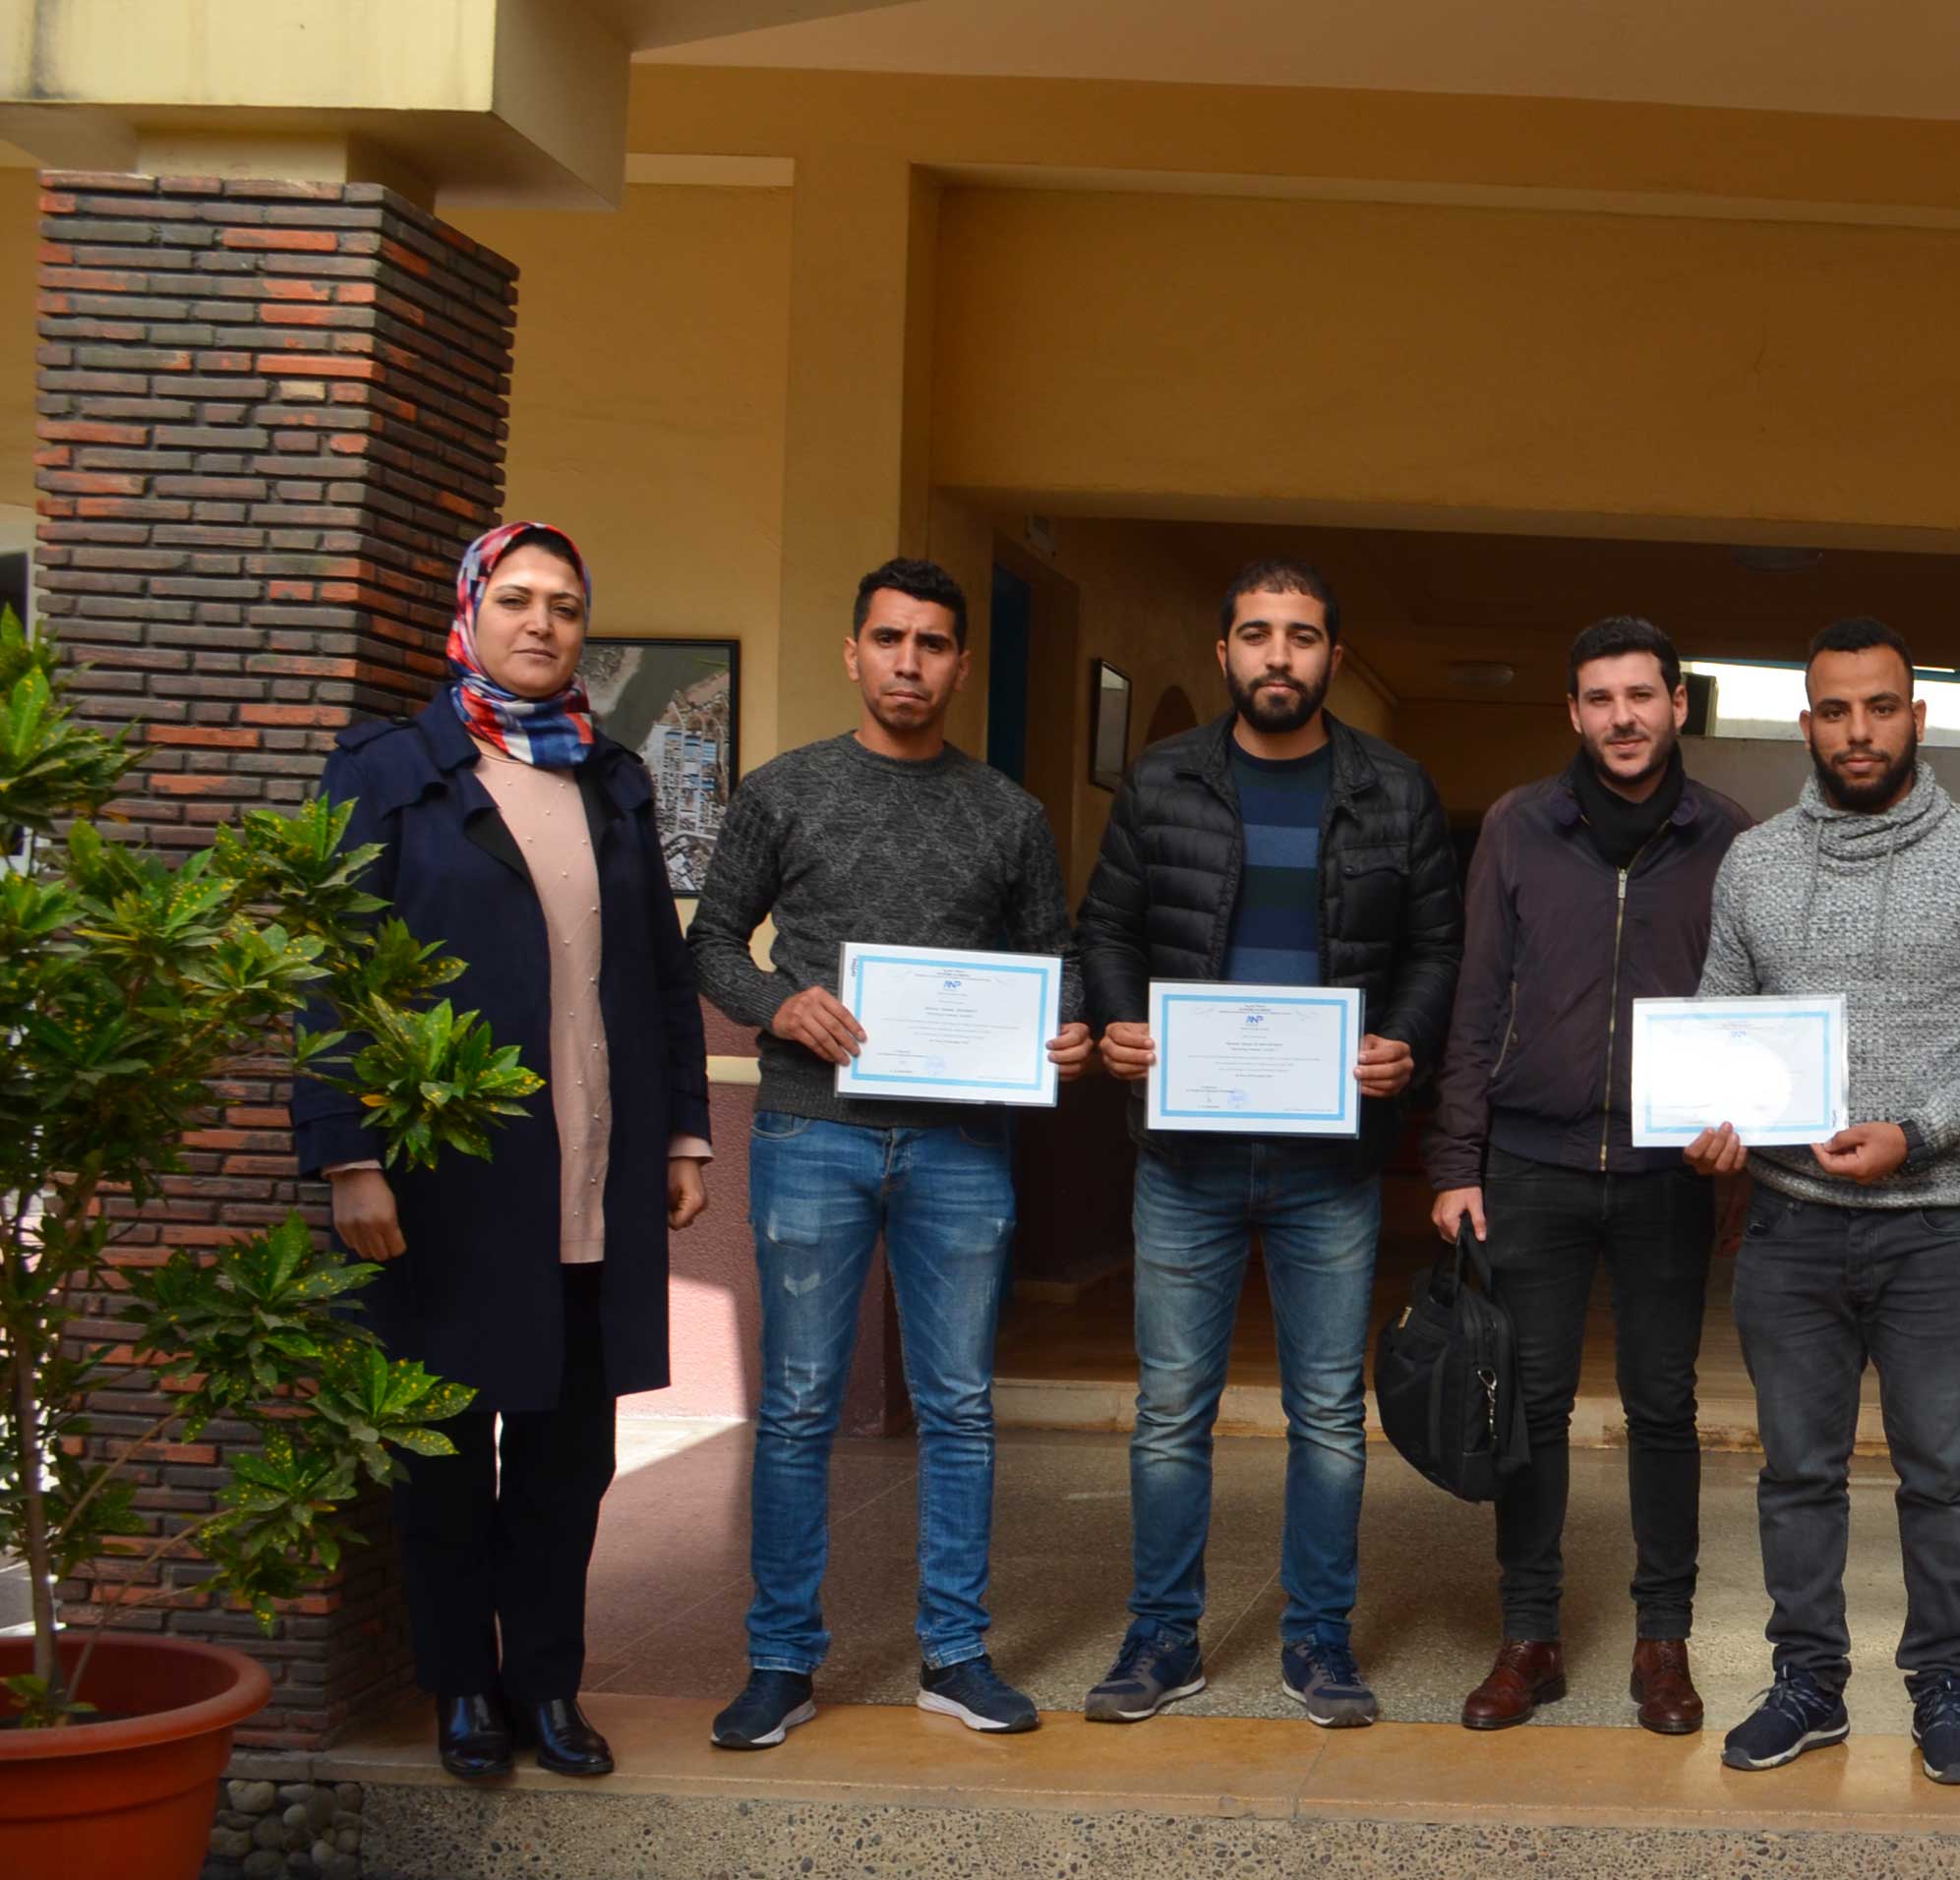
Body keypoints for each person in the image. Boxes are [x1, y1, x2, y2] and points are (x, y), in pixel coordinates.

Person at [297, 520, 712, 1783]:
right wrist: (347, 1155)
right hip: (449, 1188)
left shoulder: (615, 780)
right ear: (472, 612)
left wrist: (686, 1134)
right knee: (444, 1456)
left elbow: (657, 974)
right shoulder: (389, 772)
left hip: (594, 1177)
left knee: (566, 1461)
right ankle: (462, 1693)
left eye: (569, 607)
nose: (544, 624)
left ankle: (545, 1688)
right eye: (520, 600)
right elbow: (330, 969)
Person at [687, 558, 1091, 1748]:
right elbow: (711, 941)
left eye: (932, 644)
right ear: (852, 653)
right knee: (801, 1404)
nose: (909, 662)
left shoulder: (1008, 813)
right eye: (889, 640)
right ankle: (780, 1663)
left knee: (959, 1405)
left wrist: (1061, 1028)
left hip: (964, 1144)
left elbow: (1054, 953)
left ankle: (955, 1655)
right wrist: (775, 1004)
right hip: (813, 1130)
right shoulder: (785, 791)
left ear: (961, 665)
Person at [1082, 558, 1462, 1732]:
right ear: (1224, 654)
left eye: (1302, 637)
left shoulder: (1395, 790)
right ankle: (1160, 1639)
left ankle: (1321, 1642)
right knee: (1169, 1411)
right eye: (1257, 634)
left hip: (1329, 1161)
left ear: (1332, 658)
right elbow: (1106, 923)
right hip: (1186, 1154)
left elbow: (1437, 952)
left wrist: (1401, 1040)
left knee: (1329, 1417)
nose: (1278, 656)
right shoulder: (1162, 782)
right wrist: (1114, 1024)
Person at [1687, 617, 1960, 1784]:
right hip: (1790, 1225)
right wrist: (1714, 1119)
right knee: (1796, 1471)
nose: (1859, 731)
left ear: (1917, 716)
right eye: (1836, 711)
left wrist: (1920, 1132)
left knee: (1942, 1474)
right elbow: (1720, 1025)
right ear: (1808, 724)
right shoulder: (1754, 865)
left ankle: (1947, 1690)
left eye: (1881, 707)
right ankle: (1809, 1686)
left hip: (1938, 1226)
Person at [1427, 617, 1750, 1734]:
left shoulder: (1729, 838)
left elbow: (1756, 1018)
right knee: (1534, 1406)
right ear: (1573, 712)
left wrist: (1746, 1152)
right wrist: (1454, 1161)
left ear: (1677, 705)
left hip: (1669, 1172)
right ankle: (1531, 1636)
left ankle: (1664, 1642)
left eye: (1642, 696)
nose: (1623, 717)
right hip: (1531, 1162)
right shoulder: (1519, 826)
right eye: (1600, 698)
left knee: (1665, 1408)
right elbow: (1476, 1001)